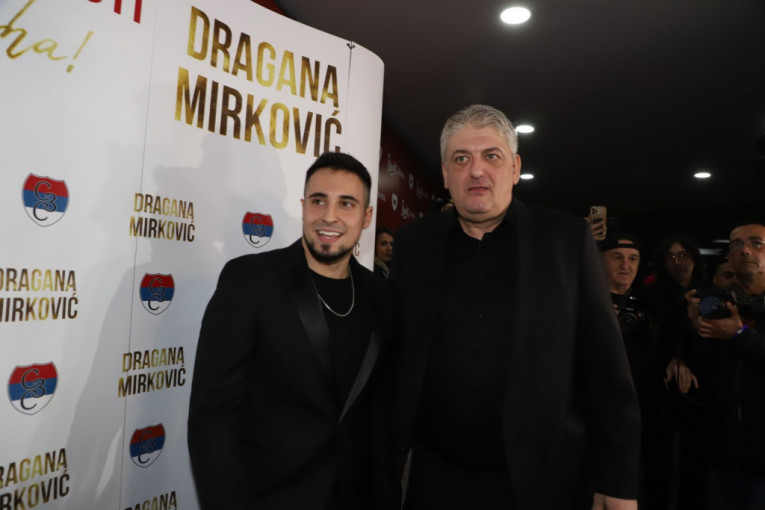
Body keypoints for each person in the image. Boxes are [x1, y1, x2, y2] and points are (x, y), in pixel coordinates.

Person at [388, 104, 640, 510]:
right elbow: (394, 357)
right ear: (446, 173)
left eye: (491, 156)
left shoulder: (566, 240)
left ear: (515, 167)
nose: (476, 170)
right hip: (436, 479)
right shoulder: (413, 244)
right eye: (461, 158)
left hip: (542, 481)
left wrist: (618, 481)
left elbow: (606, 370)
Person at [188, 152, 390, 509]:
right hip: (270, 497)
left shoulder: (380, 295)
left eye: (346, 203)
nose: (329, 216)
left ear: (367, 216)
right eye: (318, 201)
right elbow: (213, 417)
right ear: (303, 206)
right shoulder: (249, 280)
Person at [686, 223, 765, 509]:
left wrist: (739, 335)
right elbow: (704, 372)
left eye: (756, 243)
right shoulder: (720, 305)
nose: (745, 250)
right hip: (722, 452)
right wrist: (694, 328)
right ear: (729, 256)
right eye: (736, 244)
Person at [598, 234, 669, 509]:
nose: (625, 266)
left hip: (646, 415)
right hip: (599, 415)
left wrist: (677, 358)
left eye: (633, 259)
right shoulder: (585, 303)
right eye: (617, 257)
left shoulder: (651, 305)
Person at [641, 234, 709, 510]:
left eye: (683, 255)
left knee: (695, 460)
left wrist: (688, 360)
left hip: (699, 387)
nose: (678, 262)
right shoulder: (650, 295)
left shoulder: (708, 293)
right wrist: (671, 359)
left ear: (694, 259)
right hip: (660, 385)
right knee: (657, 460)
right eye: (671, 256)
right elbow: (648, 340)